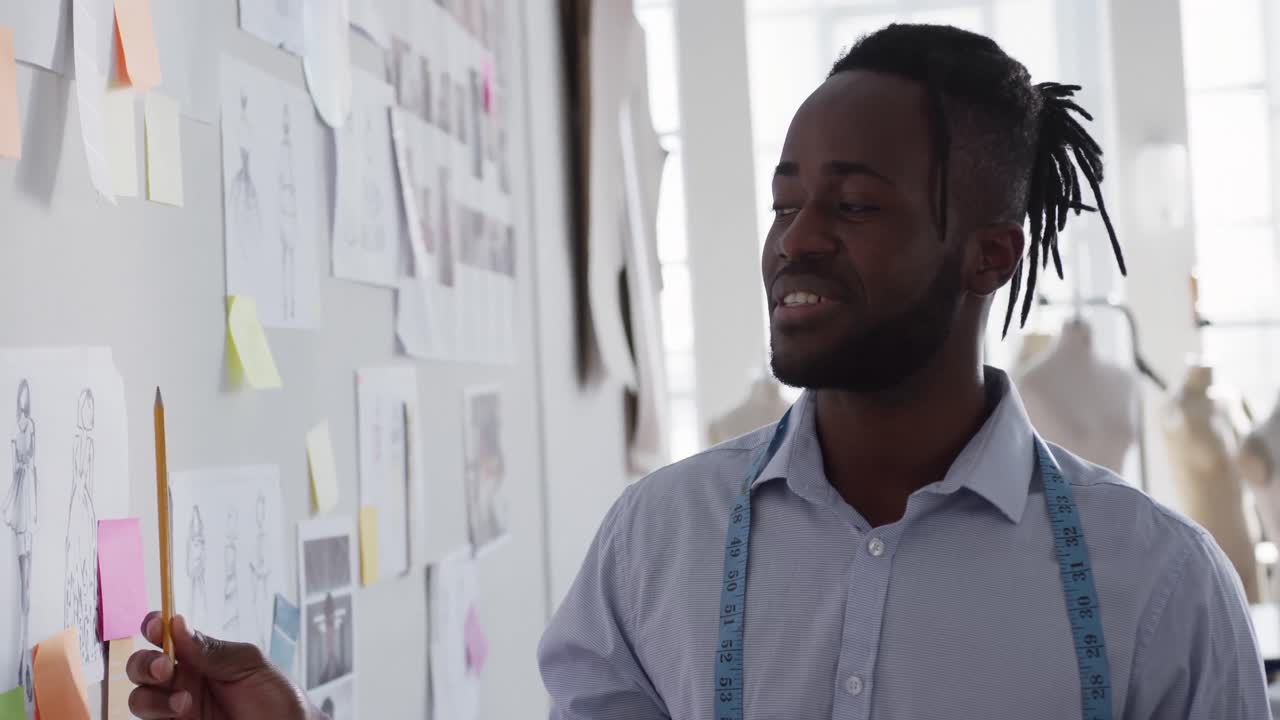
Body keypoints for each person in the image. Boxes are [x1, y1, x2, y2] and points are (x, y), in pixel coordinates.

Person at [123, 23, 1269, 719]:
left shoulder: (1155, 591)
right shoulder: (659, 542)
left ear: (987, 254)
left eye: (852, 204)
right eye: (785, 200)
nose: (794, 239)